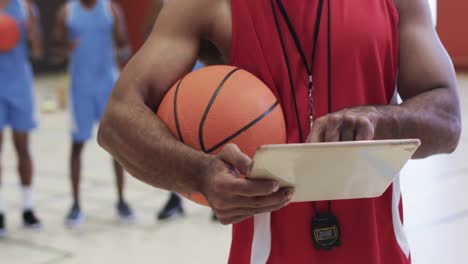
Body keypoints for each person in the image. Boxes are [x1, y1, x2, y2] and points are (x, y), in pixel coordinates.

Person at [98, 0, 461, 263]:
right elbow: (118, 120)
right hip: (265, 254)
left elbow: (447, 119)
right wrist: (197, 173)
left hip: (381, 252)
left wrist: (380, 120)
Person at [53, 0, 134, 227]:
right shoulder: (66, 11)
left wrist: (120, 54)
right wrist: (64, 49)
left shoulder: (110, 9)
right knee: (77, 145)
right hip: (80, 87)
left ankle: (121, 201)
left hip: (107, 84)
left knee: (116, 145)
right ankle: (76, 205)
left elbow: (124, 43)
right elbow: (56, 47)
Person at [142, 0, 223, 221]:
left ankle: (220, 196)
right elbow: (149, 33)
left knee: (217, 132)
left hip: (209, 75)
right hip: (177, 75)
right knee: (175, 136)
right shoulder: (164, 4)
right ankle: (175, 198)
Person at [0, 0, 43, 237]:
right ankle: (0, 210)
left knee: (22, 147)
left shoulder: (26, 8)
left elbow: (36, 51)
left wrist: (32, 34)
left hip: (19, 84)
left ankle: (28, 207)